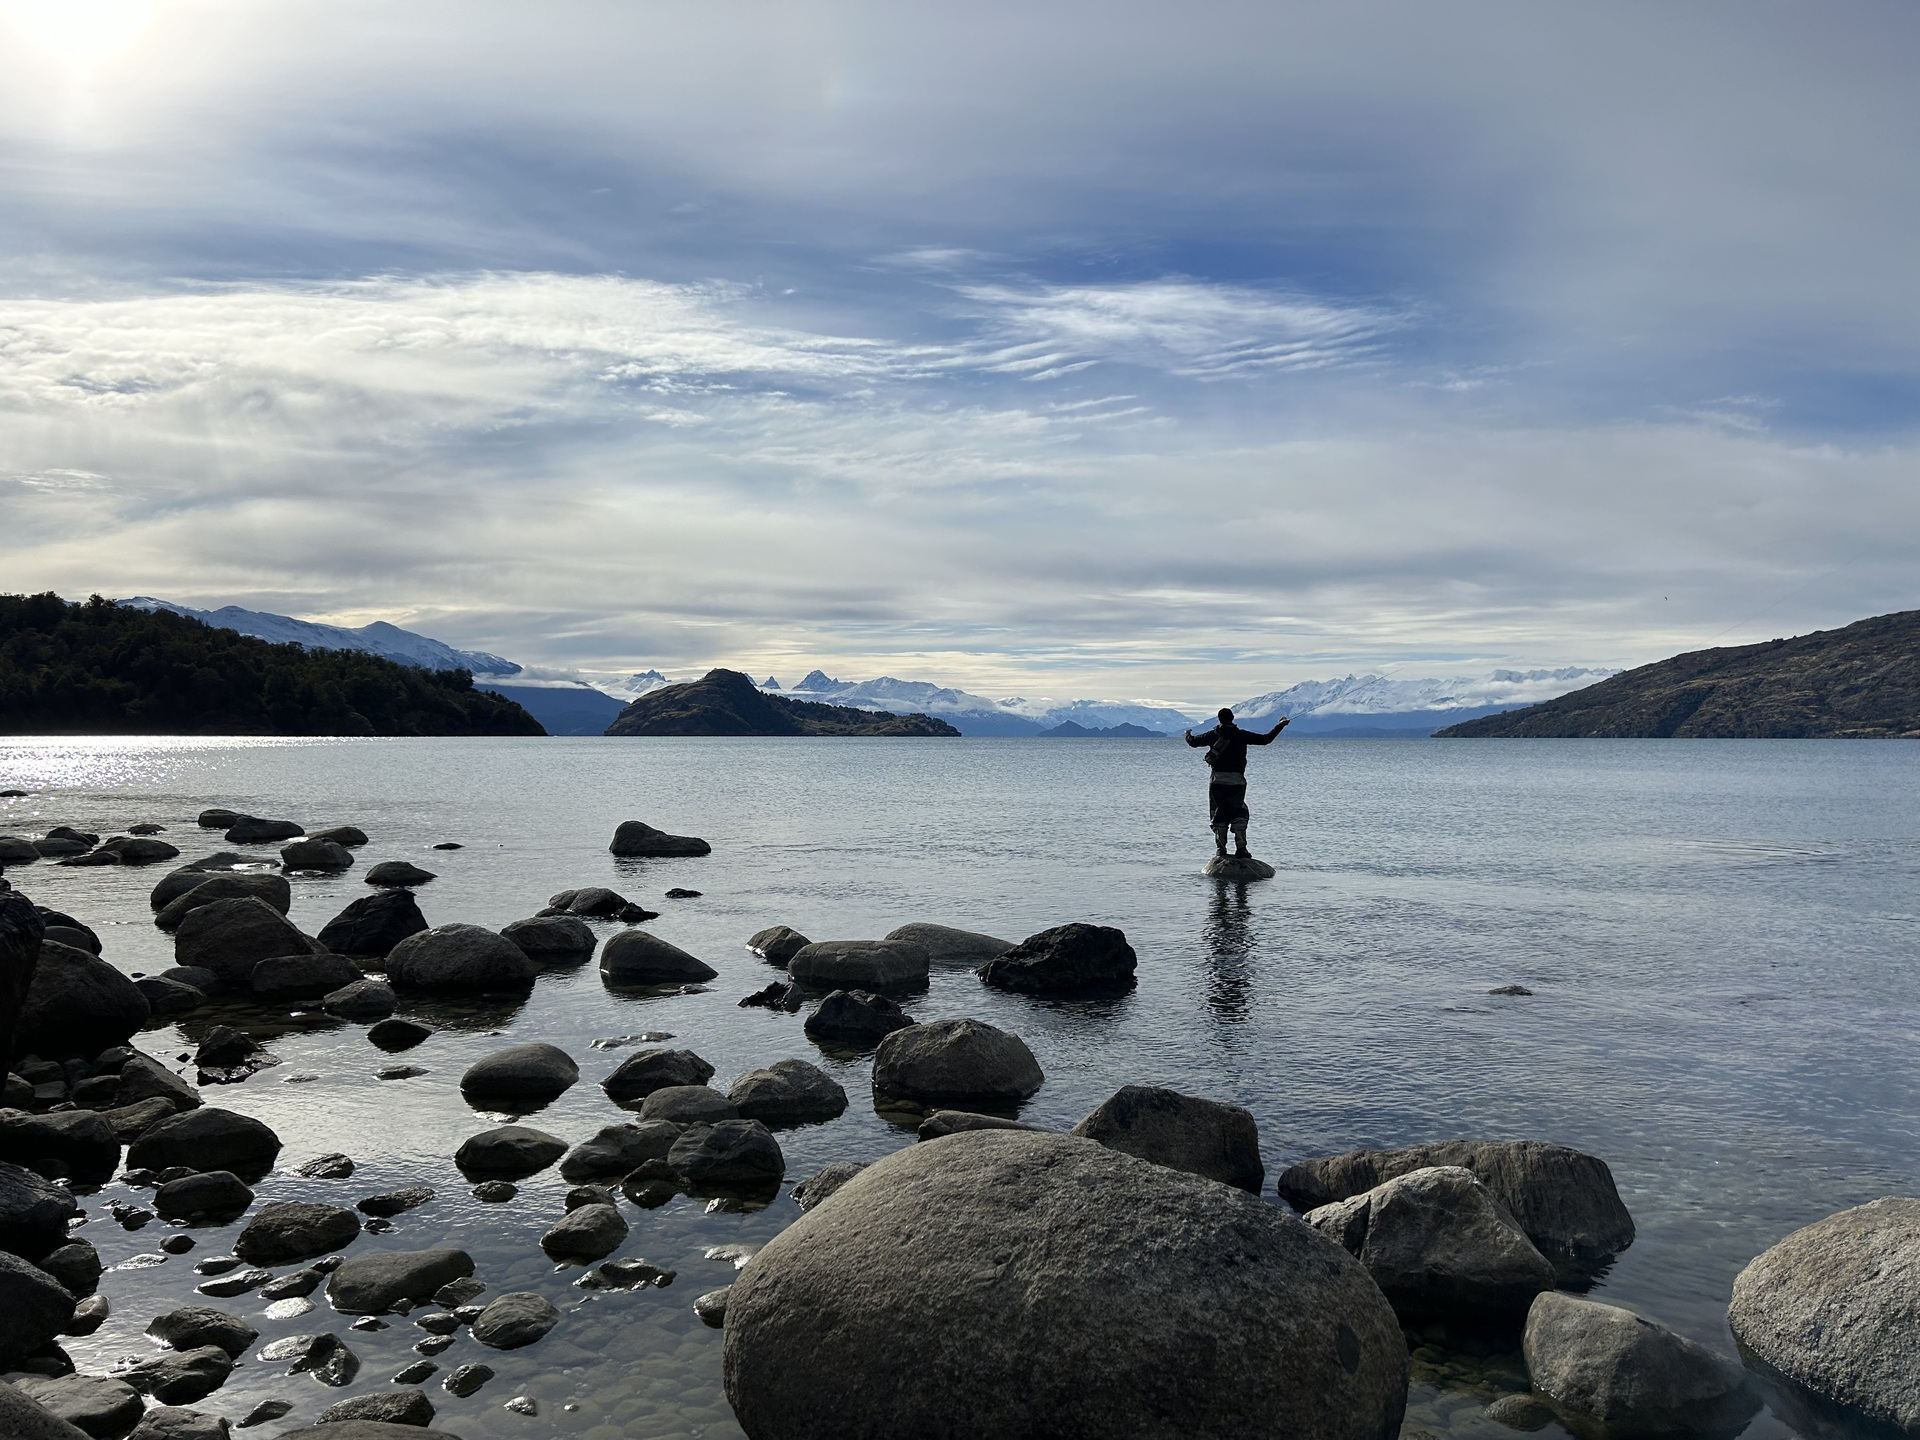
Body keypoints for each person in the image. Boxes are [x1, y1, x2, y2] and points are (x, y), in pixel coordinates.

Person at [1183, 708, 1288, 857]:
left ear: (1219, 719)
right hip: (1237, 781)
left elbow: (1193, 742)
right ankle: (1241, 848)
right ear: (1233, 718)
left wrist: (1187, 734)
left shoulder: (1213, 735)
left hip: (1217, 780)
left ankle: (1221, 850)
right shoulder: (1241, 735)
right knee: (1239, 813)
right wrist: (1280, 725)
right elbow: (1266, 739)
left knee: (1218, 814)